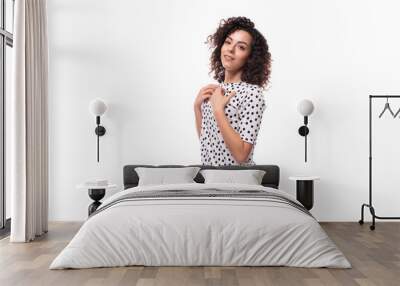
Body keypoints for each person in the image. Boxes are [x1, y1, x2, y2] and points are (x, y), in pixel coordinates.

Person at [194, 16, 272, 166]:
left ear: (250, 57)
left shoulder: (252, 94)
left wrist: (218, 110)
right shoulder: (216, 91)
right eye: (228, 42)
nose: (230, 49)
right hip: (211, 179)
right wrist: (197, 108)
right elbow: (207, 142)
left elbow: (242, 155)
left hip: (237, 182)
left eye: (241, 47)